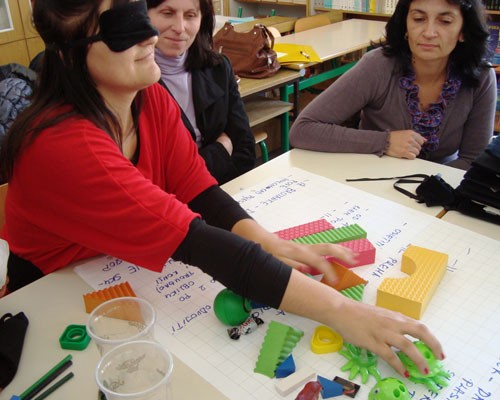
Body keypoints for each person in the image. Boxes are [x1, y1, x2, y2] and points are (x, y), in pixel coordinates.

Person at [0, 0, 444, 377]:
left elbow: (197, 189)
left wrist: (267, 241)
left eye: (140, 12)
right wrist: (342, 312)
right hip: (55, 296)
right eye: (121, 30)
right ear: (68, 55)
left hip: (122, 268)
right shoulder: (63, 147)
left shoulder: (147, 97)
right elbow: (197, 242)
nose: (151, 36)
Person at [290, 0, 495, 171]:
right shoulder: (378, 65)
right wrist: (384, 142)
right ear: (405, 25)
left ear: (463, 31)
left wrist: (431, 187)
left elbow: (473, 160)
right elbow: (302, 130)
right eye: (418, 19)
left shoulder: (481, 77)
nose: (429, 32)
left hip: (440, 192)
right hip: (372, 182)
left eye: (445, 21)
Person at [147, 0, 255, 184]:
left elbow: (246, 152)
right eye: (167, 13)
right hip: (172, 206)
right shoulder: (133, 84)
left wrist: (201, 166)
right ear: (143, 14)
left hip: (225, 191)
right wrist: (221, 149)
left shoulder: (218, 67)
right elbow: (161, 181)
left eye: (191, 15)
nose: (180, 28)